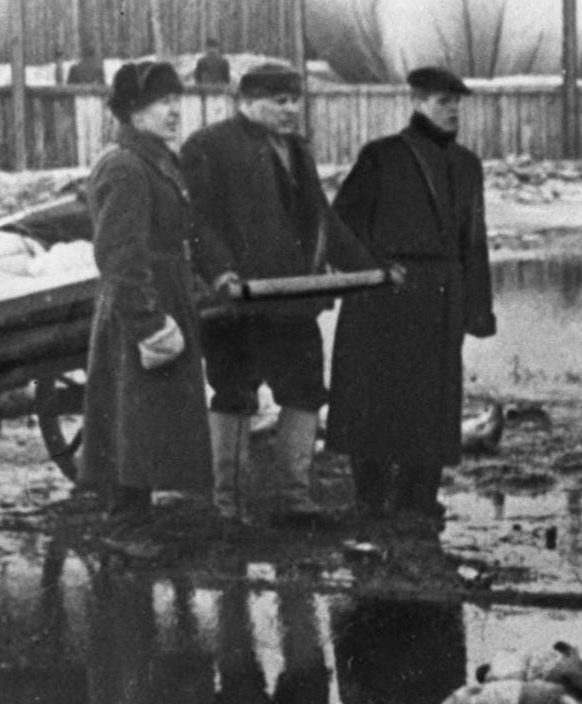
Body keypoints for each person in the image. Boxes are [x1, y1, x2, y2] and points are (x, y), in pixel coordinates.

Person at [181, 62, 381, 527]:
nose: (291, 109)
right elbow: (199, 223)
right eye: (279, 101)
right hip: (239, 303)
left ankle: (294, 496)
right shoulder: (209, 147)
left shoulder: (297, 150)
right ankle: (227, 503)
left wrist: (368, 267)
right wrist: (223, 274)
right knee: (234, 393)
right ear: (246, 103)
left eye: (295, 100)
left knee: (306, 389)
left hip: (293, 298)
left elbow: (323, 221)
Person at [329, 64, 496, 523]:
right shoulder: (382, 156)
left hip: (442, 297)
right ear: (417, 102)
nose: (453, 111)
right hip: (384, 297)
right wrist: (371, 272)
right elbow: (341, 225)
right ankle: (371, 499)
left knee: (434, 401)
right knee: (375, 398)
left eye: (457, 103)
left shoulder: (466, 165)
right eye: (444, 102)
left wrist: (477, 309)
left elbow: (473, 242)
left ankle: (419, 499)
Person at [78, 61, 212, 537]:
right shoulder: (125, 166)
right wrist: (148, 321)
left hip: (166, 290)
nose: (175, 110)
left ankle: (139, 517)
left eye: (177, 100)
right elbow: (119, 254)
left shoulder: (156, 158)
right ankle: (125, 527)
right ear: (134, 113)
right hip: (137, 303)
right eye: (162, 102)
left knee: (152, 414)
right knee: (129, 416)